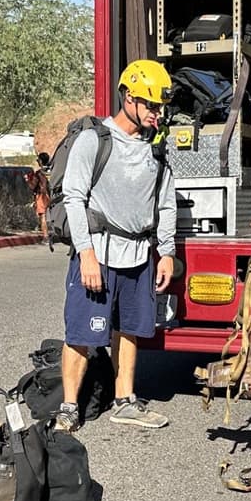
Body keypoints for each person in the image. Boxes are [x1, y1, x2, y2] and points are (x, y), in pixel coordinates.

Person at [55, 59, 177, 433]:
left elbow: (166, 201)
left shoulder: (156, 150)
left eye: (160, 107)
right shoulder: (95, 140)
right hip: (99, 254)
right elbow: (73, 198)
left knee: (128, 330)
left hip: (138, 255)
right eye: (151, 105)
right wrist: (86, 253)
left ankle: (125, 400)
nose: (157, 114)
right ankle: (68, 407)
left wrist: (167, 251)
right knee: (80, 334)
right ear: (127, 97)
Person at [26, 152, 52, 238]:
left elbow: (33, 186)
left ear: (40, 161)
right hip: (53, 194)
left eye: (38, 160)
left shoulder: (39, 173)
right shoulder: (52, 171)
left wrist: (27, 179)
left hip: (42, 196)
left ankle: (45, 237)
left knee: (43, 216)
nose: (37, 162)